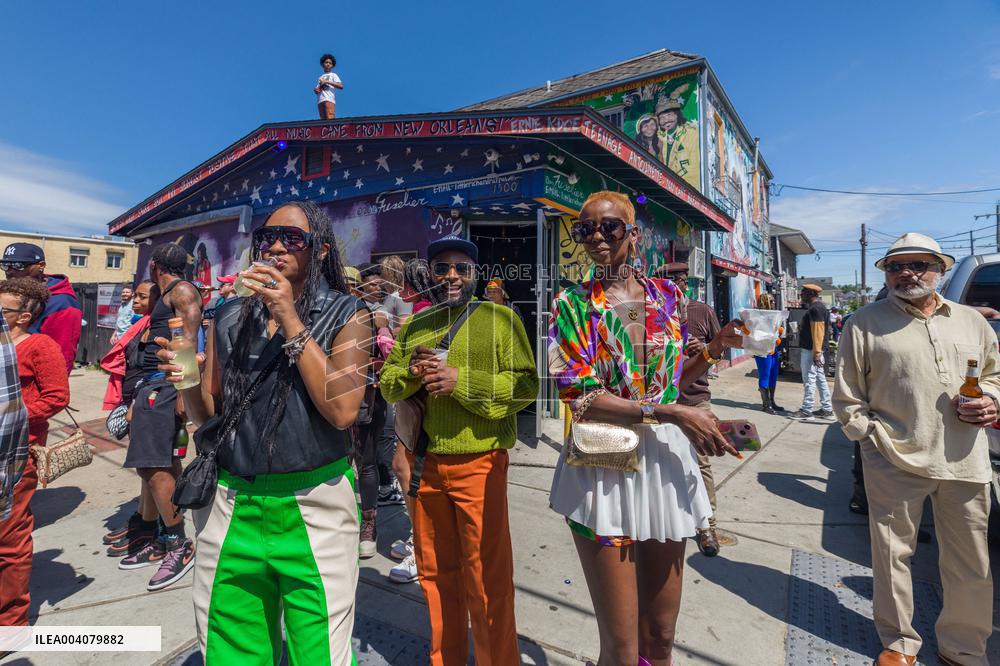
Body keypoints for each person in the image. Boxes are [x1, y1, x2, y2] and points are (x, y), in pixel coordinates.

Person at [159, 201, 370, 663]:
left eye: (292, 239)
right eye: (266, 238)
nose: (275, 246)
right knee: (230, 651)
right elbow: (207, 414)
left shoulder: (349, 314)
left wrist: (291, 318)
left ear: (320, 250)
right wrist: (187, 376)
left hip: (316, 508)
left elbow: (343, 410)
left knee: (320, 655)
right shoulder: (231, 316)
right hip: (232, 507)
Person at [548, 192, 743, 665]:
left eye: (609, 227)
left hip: (663, 468)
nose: (596, 236)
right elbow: (581, 396)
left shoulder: (667, 297)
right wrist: (673, 414)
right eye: (585, 229)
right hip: (604, 460)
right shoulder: (570, 305)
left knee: (659, 636)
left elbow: (671, 381)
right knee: (622, 645)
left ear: (632, 235)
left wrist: (715, 348)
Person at [834, 232, 1000, 666]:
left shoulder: (972, 321)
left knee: (971, 564)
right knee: (892, 559)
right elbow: (848, 397)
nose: (906, 273)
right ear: (886, 275)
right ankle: (899, 642)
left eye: (918, 265)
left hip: (965, 461)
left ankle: (963, 649)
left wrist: (992, 399)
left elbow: (994, 374)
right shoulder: (863, 323)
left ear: (941, 271)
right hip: (894, 459)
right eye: (895, 266)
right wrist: (869, 439)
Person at [381, 234, 538, 665]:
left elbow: (527, 387)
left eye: (461, 268)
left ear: (475, 274)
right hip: (428, 466)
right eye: (442, 268)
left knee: (488, 583)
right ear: (430, 275)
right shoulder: (416, 324)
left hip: (481, 464)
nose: (451, 275)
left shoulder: (500, 319)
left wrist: (460, 381)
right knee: (436, 578)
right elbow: (389, 383)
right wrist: (415, 372)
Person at [117, 243, 201, 591]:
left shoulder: (180, 291)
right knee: (150, 465)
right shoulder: (168, 294)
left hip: (166, 388)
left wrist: (184, 393)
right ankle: (161, 536)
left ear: (154, 266)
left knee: (156, 465)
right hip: (154, 387)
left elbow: (188, 340)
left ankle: (180, 544)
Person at [0, 278, 70, 628]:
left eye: (3, 309)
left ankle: (10, 624)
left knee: (8, 538)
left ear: (24, 316)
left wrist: (10, 416)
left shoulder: (39, 346)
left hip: (16, 453)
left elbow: (56, 396)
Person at [659, 261, 733, 558]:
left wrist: (701, 352)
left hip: (695, 399)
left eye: (680, 281)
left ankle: (707, 526)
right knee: (662, 463)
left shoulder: (701, 311)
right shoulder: (654, 314)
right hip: (663, 404)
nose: (676, 287)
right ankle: (666, 518)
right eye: (669, 282)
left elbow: (721, 347)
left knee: (700, 464)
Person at [386, 257, 438, 585]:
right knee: (405, 470)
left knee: (409, 474)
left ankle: (423, 548)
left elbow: (406, 363)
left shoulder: (421, 312)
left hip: (417, 406)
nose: (398, 288)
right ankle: (419, 539)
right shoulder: (421, 309)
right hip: (413, 406)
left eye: (404, 281)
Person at [100, 281, 161, 557]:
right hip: (132, 399)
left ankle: (149, 529)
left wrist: (136, 402)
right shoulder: (141, 324)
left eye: (141, 296)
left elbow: (153, 370)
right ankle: (140, 520)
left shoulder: (156, 328)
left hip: (144, 403)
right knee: (143, 470)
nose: (134, 300)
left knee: (149, 469)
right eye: (134, 295)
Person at [1, 242, 82, 373]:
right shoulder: (11, 294)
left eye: (18, 266)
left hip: (29, 383)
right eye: (5, 265)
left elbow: (62, 358)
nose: (10, 271)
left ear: (41, 266)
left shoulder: (63, 303)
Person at [789, 283, 833, 420]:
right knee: (820, 379)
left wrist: (817, 352)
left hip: (811, 351)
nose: (801, 295)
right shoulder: (818, 308)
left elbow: (818, 332)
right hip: (814, 350)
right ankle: (827, 410)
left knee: (809, 379)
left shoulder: (815, 309)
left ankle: (807, 411)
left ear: (811, 294)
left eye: (803, 293)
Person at [655, 97, 699, 186]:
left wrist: (673, 183)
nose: (666, 120)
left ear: (676, 115)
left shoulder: (692, 133)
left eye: (669, 115)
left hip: (687, 188)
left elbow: (694, 167)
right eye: (661, 118)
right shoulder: (657, 138)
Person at [315, 53, 343, 120]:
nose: (328, 64)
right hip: (320, 100)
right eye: (326, 62)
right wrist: (317, 89)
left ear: (332, 65)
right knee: (323, 121)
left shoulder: (333, 75)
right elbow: (318, 91)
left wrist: (327, 82)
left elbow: (340, 86)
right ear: (322, 64)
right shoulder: (320, 77)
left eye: (330, 63)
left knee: (330, 119)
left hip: (329, 99)